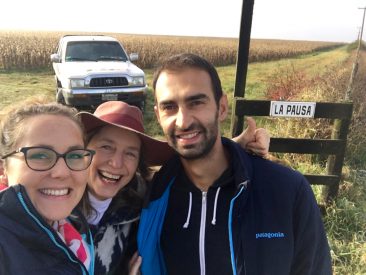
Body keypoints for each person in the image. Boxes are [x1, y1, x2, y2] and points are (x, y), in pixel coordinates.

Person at [136, 53, 332, 275]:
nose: (183, 121)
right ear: (158, 116)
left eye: (196, 102)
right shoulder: (153, 196)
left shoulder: (286, 190)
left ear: (221, 107)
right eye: (169, 107)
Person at [76, 100, 270, 275]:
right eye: (106, 147)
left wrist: (233, 149)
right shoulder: (57, 203)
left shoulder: (139, 203)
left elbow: (190, 167)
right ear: (83, 148)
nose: (116, 163)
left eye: (130, 154)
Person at [0, 100, 95, 274]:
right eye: (40, 155)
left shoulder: (72, 226)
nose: (61, 172)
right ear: (3, 168)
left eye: (74, 155)